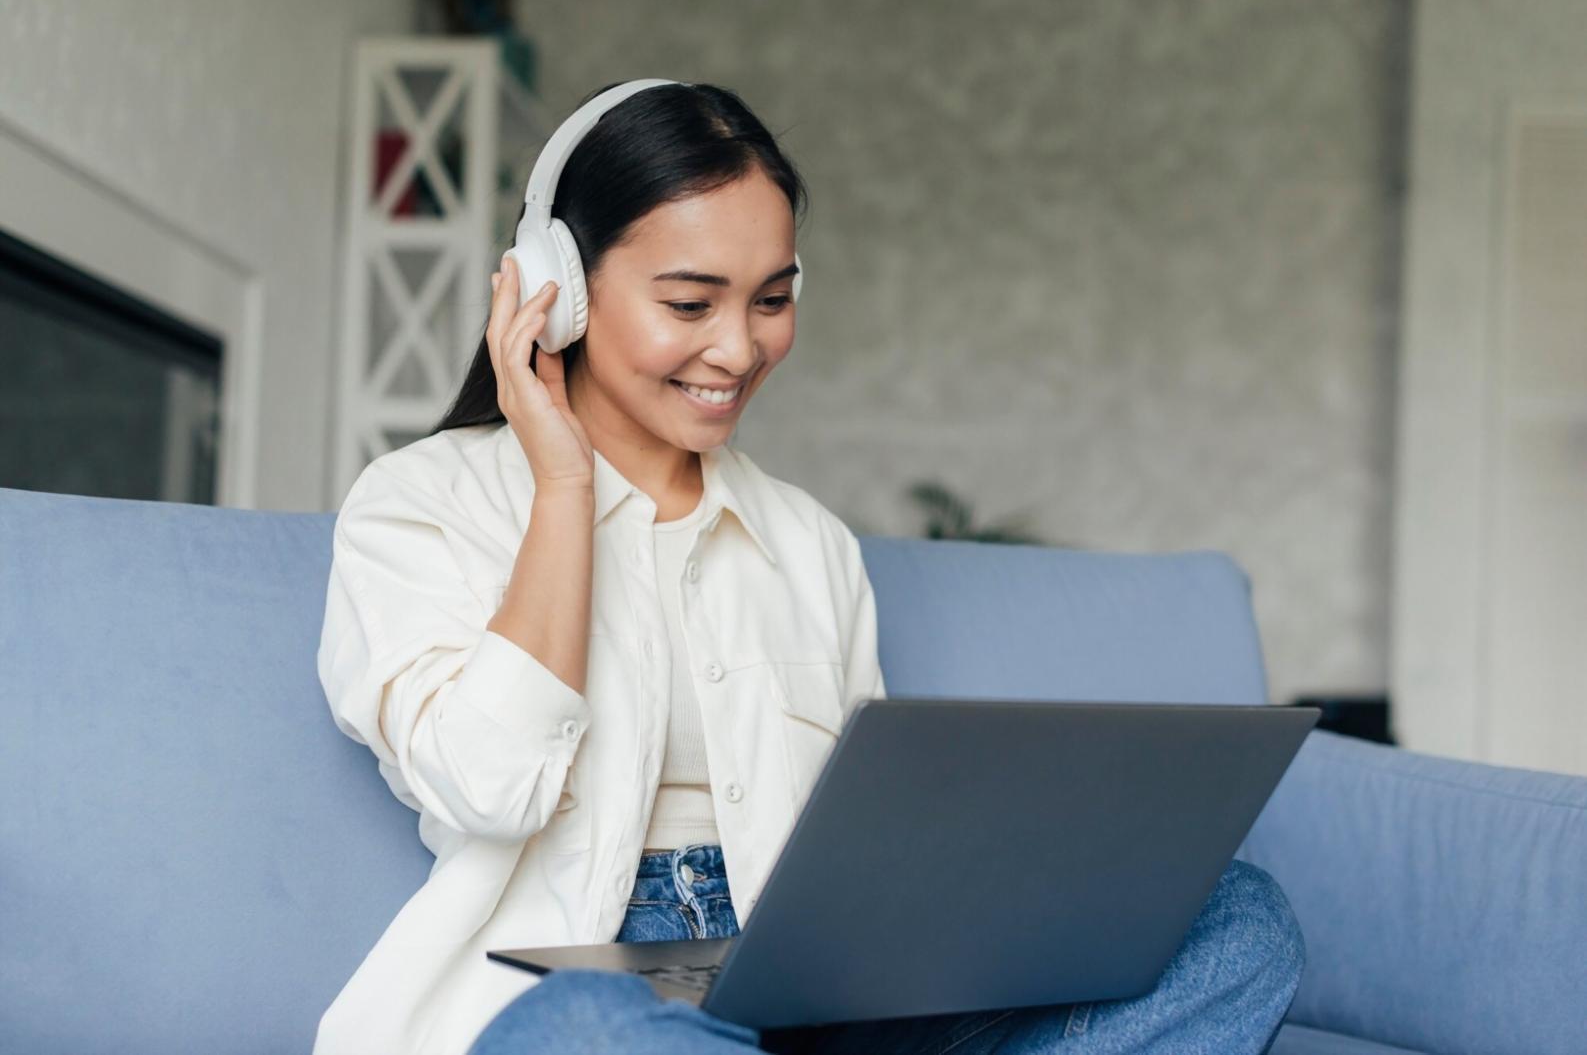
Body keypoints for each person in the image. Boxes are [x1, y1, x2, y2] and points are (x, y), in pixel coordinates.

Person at [315, 80, 1305, 1055]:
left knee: (1238, 919)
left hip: (813, 992)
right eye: (690, 302)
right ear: (558, 289)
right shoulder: (420, 503)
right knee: (583, 1029)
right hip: (583, 993)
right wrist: (563, 487)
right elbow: (490, 788)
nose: (738, 349)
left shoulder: (808, 542)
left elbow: (860, 853)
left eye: (772, 300)